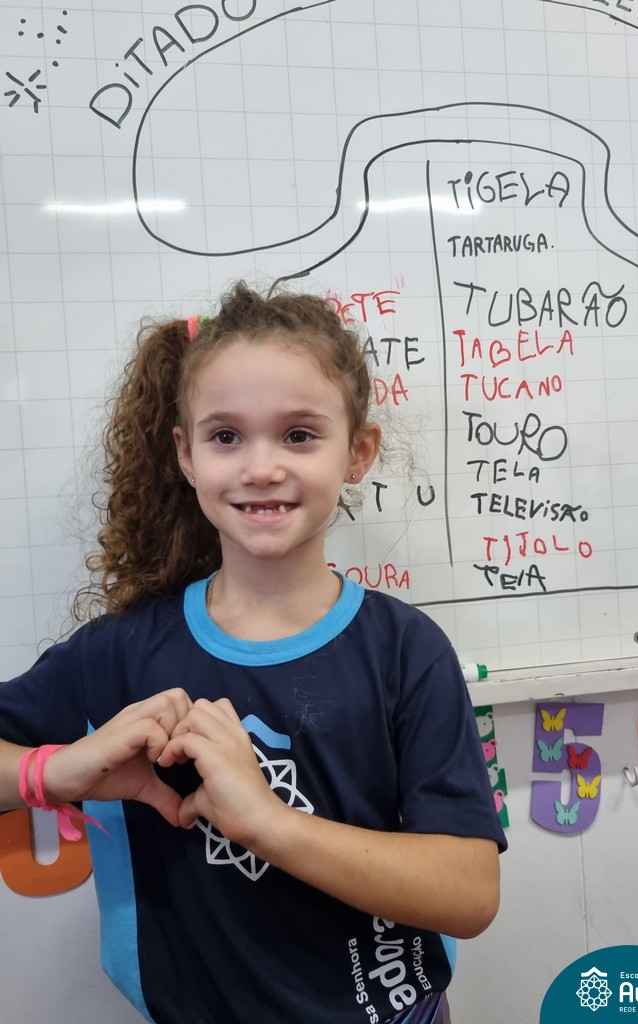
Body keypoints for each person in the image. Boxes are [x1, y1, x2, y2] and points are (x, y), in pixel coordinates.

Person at [0, 281, 506, 1024]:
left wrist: (268, 823)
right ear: (185, 454)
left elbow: (470, 893)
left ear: (358, 452)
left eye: (299, 435)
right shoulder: (122, 652)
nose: (261, 467)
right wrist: (55, 771)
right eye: (226, 436)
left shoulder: (406, 652)